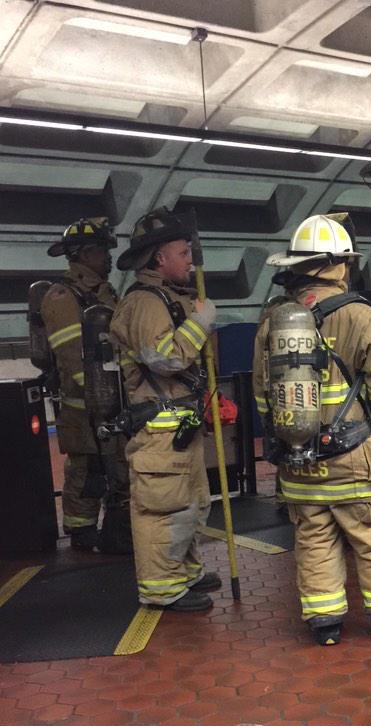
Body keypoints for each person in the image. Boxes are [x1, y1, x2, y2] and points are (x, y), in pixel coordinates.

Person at [253, 213, 371, 646]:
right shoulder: (363, 315)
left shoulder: (273, 318)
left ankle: (324, 623)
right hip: (353, 457)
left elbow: (261, 392)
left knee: (314, 538)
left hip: (298, 459)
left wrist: (287, 437)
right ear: (340, 264)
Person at [109, 207, 221, 610]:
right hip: (158, 429)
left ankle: (185, 573)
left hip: (180, 426)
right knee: (161, 508)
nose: (191, 261)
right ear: (159, 258)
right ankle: (161, 589)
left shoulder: (171, 298)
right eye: (183, 253)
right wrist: (200, 324)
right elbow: (165, 359)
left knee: (189, 503)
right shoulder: (144, 302)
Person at [41, 217, 130, 552]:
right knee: (85, 468)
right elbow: (71, 355)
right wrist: (98, 394)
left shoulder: (104, 292)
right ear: (82, 255)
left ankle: (111, 528)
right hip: (83, 403)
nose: (108, 257)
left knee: (113, 463)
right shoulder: (63, 296)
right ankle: (81, 531)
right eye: (101, 251)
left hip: (110, 395)